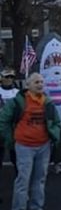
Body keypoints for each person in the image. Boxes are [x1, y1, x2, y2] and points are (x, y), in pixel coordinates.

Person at [0, 73, 61, 210]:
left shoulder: (47, 102)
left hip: (43, 145)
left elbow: (56, 121)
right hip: (24, 146)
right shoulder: (17, 102)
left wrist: (54, 135)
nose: (40, 84)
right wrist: (11, 139)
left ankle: (36, 209)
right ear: (27, 85)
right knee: (23, 180)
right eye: (36, 82)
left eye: (41, 82)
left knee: (40, 178)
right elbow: (3, 120)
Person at [0, 67, 20, 200]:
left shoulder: (18, 93)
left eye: (11, 77)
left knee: (17, 162)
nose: (9, 79)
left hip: (14, 130)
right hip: (1, 129)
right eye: (6, 77)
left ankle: (21, 192)